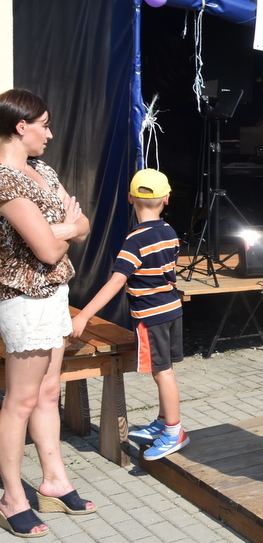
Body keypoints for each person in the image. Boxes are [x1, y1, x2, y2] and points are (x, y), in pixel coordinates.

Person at [0, 89, 94, 538]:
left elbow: (84, 225)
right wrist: (64, 229)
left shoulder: (42, 171)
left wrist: (63, 229)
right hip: (24, 298)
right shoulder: (5, 179)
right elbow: (46, 249)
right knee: (19, 400)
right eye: (44, 125)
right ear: (21, 127)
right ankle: (11, 497)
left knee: (48, 391)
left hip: (55, 292)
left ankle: (55, 480)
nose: (50, 134)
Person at [71, 168, 189, 461]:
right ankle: (164, 421)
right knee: (165, 370)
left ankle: (174, 432)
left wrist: (83, 316)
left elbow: (116, 282)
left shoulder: (134, 240)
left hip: (151, 316)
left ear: (129, 198)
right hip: (172, 310)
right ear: (167, 198)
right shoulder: (170, 232)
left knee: (162, 372)